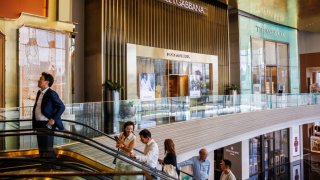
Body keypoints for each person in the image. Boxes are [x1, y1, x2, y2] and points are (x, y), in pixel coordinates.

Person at [32, 72, 65, 159]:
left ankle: (50, 168)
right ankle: (43, 167)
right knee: (41, 148)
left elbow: (61, 107)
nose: (39, 80)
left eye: (41, 79)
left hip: (47, 124)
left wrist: (53, 119)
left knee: (47, 149)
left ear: (47, 82)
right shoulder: (39, 93)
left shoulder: (51, 93)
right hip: (39, 124)